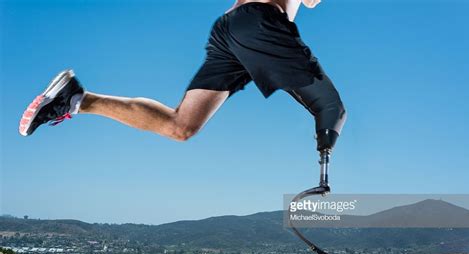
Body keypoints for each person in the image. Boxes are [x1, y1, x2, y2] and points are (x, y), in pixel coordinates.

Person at [19, 0, 346, 161]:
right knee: (330, 107)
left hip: (231, 28)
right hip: (261, 23)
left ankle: (77, 99)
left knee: (181, 126)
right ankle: (325, 172)